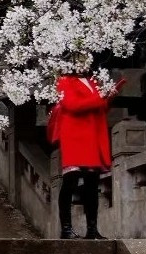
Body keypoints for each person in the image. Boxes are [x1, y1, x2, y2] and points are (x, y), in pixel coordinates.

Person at [47, 71, 124, 239]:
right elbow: (72, 105)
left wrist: (108, 97)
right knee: (71, 179)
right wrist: (100, 97)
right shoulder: (65, 81)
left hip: (92, 134)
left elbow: (101, 108)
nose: (84, 62)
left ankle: (92, 229)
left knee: (91, 182)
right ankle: (66, 229)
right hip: (74, 134)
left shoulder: (92, 81)